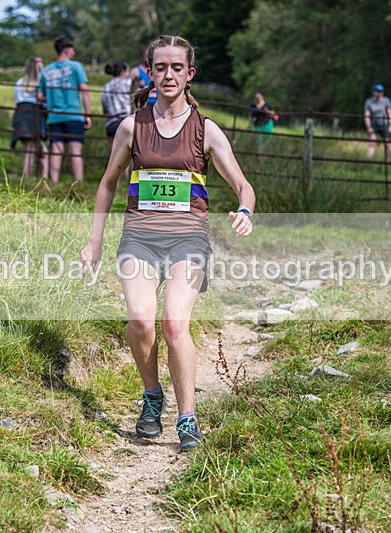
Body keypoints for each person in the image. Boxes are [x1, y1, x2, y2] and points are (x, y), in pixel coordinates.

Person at [79, 35, 255, 452]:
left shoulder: (206, 130)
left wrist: (244, 212)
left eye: (177, 67)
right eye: (161, 68)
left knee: (175, 323)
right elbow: (106, 185)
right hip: (139, 237)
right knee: (141, 320)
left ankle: (188, 416)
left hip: (188, 240)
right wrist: (95, 243)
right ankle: (152, 396)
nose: (169, 74)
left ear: (189, 74)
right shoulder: (131, 127)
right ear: (150, 73)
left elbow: (243, 186)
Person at [38, 36, 91, 183]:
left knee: (56, 150)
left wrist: (53, 96)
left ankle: (53, 182)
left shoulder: (46, 71)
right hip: (74, 114)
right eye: (72, 50)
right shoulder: (76, 67)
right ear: (67, 50)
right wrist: (88, 115)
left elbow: (39, 95)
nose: (74, 53)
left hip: (54, 116)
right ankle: (78, 183)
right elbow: (85, 91)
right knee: (75, 152)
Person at [12, 57, 48, 178]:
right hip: (34, 115)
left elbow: (17, 100)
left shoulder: (19, 82)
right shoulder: (41, 84)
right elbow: (44, 103)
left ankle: (30, 175)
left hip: (21, 114)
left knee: (30, 148)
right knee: (36, 148)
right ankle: (40, 176)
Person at [101, 60, 132, 181]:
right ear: (124, 70)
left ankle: (114, 181)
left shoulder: (106, 86)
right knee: (127, 154)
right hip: (126, 122)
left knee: (114, 155)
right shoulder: (129, 83)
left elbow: (104, 107)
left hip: (111, 123)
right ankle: (127, 181)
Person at [364, 84, 391, 159]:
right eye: (377, 92)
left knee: (387, 143)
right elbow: (367, 116)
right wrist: (369, 127)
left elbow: (390, 114)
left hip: (384, 123)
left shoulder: (386, 101)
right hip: (374, 124)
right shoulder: (369, 102)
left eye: (381, 92)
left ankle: (388, 160)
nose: (379, 93)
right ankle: (369, 160)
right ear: (374, 92)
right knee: (372, 142)